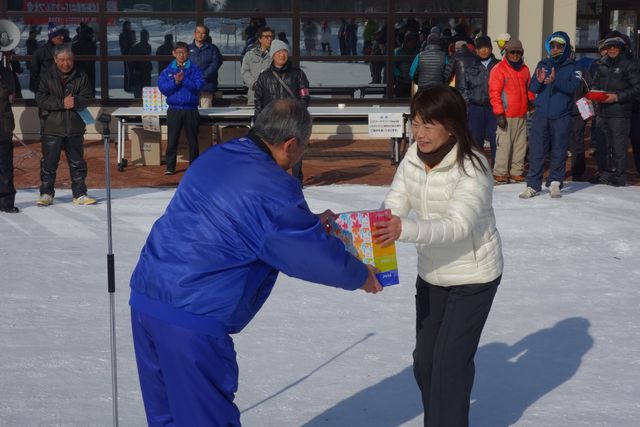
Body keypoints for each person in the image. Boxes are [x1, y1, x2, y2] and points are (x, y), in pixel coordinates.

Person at [129, 98, 383, 426]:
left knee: (166, 418)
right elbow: (308, 255)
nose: (303, 153)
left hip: (147, 298)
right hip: (193, 316)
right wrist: (361, 275)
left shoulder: (219, 155)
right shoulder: (272, 185)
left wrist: (307, 225)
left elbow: (252, 221)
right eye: (305, 145)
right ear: (290, 144)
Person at [374, 86, 503, 427]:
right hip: (432, 273)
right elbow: (395, 202)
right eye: (416, 123)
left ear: (452, 125)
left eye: (429, 124)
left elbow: (458, 226)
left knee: (449, 364)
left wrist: (404, 229)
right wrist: (374, 230)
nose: (419, 132)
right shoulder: (413, 157)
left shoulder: (473, 167)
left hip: (473, 276)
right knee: (426, 362)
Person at [520, 31, 581, 199]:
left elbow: (573, 87)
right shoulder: (543, 63)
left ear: (565, 47)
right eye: (552, 46)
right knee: (536, 151)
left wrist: (556, 81)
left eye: (559, 46)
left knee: (559, 150)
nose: (555, 49)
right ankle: (533, 185)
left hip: (561, 115)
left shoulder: (574, 66)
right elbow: (532, 88)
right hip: (541, 115)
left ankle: (555, 183)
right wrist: (539, 81)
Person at [35, 45, 95, 206]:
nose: (66, 63)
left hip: (74, 126)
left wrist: (75, 102)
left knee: (77, 163)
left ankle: (80, 194)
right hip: (51, 126)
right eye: (62, 60)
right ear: (55, 60)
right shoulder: (46, 75)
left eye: (69, 59)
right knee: (49, 163)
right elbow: (40, 99)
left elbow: (88, 97)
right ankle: (46, 193)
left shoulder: (81, 75)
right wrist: (62, 103)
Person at [254, 39, 310, 185]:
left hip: (292, 121)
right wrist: (258, 122)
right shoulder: (264, 76)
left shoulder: (298, 74)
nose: (282, 55)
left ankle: (297, 181)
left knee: (294, 150)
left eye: (284, 51)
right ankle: (274, 180)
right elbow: (258, 101)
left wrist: (297, 114)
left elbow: (304, 96)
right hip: (272, 122)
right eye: (278, 52)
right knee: (272, 151)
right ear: (273, 55)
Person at [589, 35, 640, 187]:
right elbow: (595, 83)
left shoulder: (629, 64)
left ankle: (619, 176)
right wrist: (594, 94)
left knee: (618, 146)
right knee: (601, 146)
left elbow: (637, 88)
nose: (611, 50)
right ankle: (604, 174)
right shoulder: (601, 63)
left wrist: (617, 97)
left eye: (615, 47)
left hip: (619, 113)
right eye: (608, 47)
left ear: (621, 49)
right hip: (602, 112)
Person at [489, 39, 535, 184]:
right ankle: (500, 172)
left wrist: (531, 102)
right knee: (504, 145)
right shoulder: (499, 69)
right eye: (512, 52)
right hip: (506, 115)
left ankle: (516, 172)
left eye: (518, 52)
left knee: (520, 146)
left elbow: (529, 89)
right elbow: (494, 93)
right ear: (507, 52)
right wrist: (499, 113)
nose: (515, 55)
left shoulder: (524, 69)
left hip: (521, 114)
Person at [158, 41, 205, 176]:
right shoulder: (167, 71)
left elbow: (198, 87)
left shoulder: (195, 69)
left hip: (191, 109)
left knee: (193, 140)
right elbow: (163, 88)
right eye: (179, 52)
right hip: (174, 109)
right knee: (172, 139)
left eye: (184, 52)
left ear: (188, 54)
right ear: (174, 54)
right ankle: (170, 167)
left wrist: (184, 80)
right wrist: (176, 82)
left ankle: (194, 166)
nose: (181, 55)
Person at [465, 35, 500, 163]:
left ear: (491, 48)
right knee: (476, 139)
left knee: (495, 138)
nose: (484, 50)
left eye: (486, 47)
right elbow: (463, 88)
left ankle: (496, 167)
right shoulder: (471, 66)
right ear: (476, 50)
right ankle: (477, 166)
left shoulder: (498, 65)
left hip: (494, 108)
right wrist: (468, 104)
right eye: (480, 48)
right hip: (475, 108)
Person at [188, 24, 223, 108]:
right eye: (198, 32)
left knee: (206, 111)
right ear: (194, 33)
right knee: (192, 110)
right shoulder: (188, 48)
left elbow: (216, 63)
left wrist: (203, 76)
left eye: (203, 33)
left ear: (206, 35)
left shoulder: (212, 49)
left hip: (207, 84)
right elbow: (184, 64)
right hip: (191, 84)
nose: (200, 35)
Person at [0, 63, 18, 213]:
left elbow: (11, 94)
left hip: (3, 127)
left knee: (5, 167)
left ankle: (6, 202)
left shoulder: (6, 72)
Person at [240, 26, 274, 106]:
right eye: (266, 37)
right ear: (260, 39)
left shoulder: (276, 54)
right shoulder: (250, 54)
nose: (269, 39)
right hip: (254, 94)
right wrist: (254, 83)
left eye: (271, 37)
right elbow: (244, 72)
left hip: (272, 95)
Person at [30, 23, 65, 95]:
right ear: (53, 38)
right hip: (45, 91)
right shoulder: (40, 52)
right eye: (60, 36)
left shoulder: (65, 51)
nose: (62, 37)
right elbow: (34, 72)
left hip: (61, 90)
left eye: (63, 35)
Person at [71, 23, 97, 95]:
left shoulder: (75, 43)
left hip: (78, 69)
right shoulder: (91, 44)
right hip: (88, 68)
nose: (92, 35)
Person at [129, 29, 152, 99]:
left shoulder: (134, 47)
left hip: (137, 70)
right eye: (147, 36)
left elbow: (131, 59)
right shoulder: (148, 46)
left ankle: (137, 100)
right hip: (145, 71)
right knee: (146, 88)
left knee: (138, 88)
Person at [119, 21, 136, 93]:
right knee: (128, 71)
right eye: (128, 25)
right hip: (126, 54)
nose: (129, 26)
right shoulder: (123, 34)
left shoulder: (132, 33)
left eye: (130, 25)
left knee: (131, 70)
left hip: (132, 54)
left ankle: (130, 85)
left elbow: (134, 42)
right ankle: (128, 86)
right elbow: (124, 45)